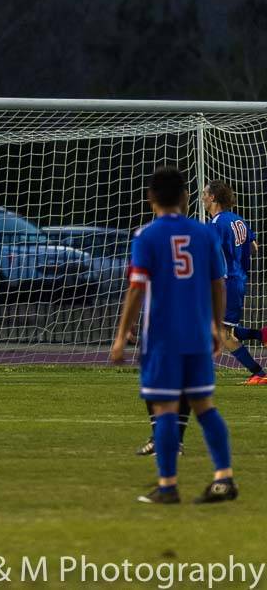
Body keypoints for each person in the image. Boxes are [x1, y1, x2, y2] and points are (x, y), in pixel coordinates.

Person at [111, 166, 236, 504]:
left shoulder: (146, 236)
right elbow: (218, 284)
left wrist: (121, 335)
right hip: (197, 333)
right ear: (185, 197)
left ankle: (168, 486)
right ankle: (223, 479)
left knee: (165, 408)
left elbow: (137, 289)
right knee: (205, 407)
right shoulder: (204, 234)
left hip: (163, 337)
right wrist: (216, 325)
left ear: (151, 198)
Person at [201, 180, 263, 384]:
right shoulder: (238, 220)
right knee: (220, 326)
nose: (202, 198)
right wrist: (238, 256)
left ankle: (259, 373)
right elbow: (254, 247)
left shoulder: (216, 224)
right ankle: (262, 335)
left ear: (213, 198)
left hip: (227, 283)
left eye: (204, 194)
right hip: (238, 279)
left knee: (222, 332)